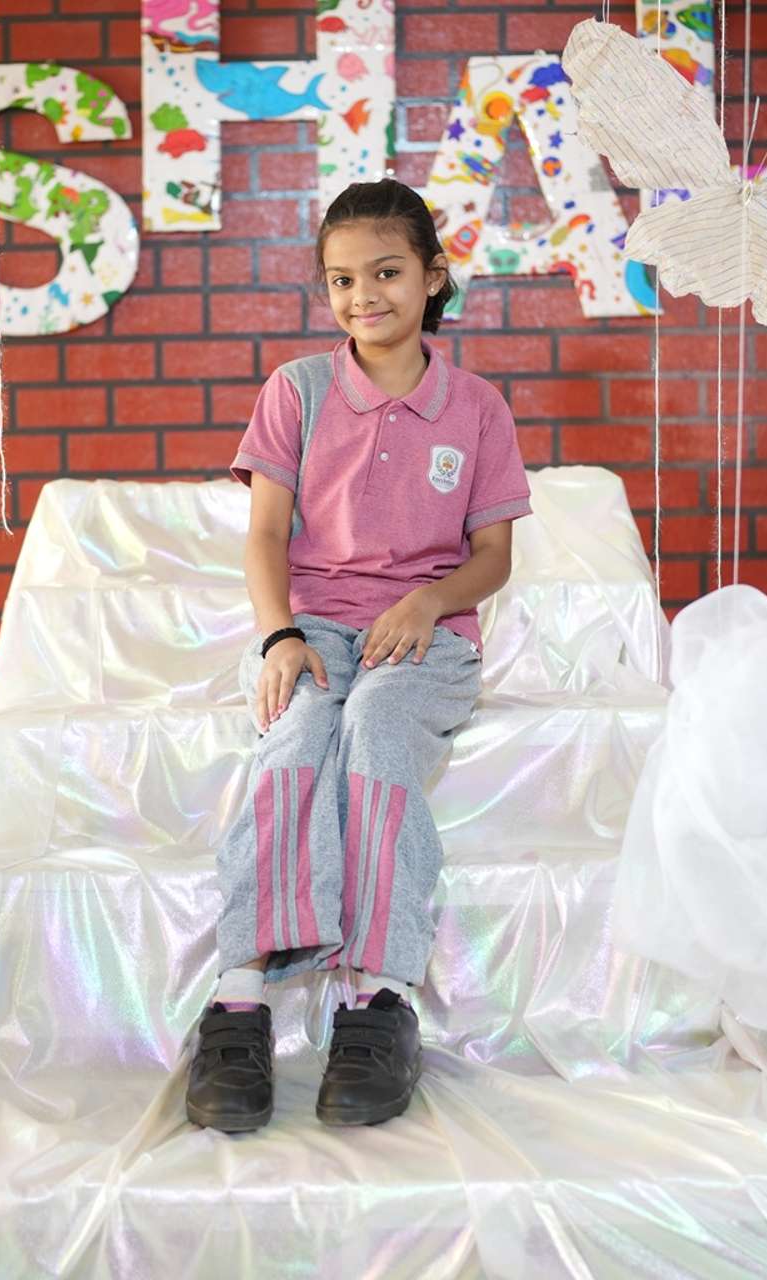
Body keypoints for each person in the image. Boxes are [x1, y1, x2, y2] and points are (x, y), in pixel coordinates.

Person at [185, 178, 532, 1133]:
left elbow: (494, 557)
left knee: (377, 729)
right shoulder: (297, 390)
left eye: (385, 273)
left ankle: (379, 1000)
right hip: (314, 627)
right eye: (341, 279)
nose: (362, 295)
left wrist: (428, 600)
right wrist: (280, 636)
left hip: (427, 635)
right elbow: (265, 535)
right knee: (299, 734)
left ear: (433, 276)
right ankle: (240, 996)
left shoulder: (476, 408)